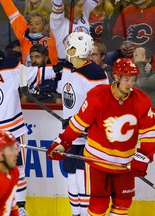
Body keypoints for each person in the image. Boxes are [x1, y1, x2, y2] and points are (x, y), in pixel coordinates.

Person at [0, 37, 60, 216]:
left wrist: (58, 69)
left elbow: (35, 73)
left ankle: (19, 207)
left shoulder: (10, 66)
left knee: (18, 170)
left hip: (13, 131)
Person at [46, 58, 155, 215]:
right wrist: (62, 142)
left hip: (124, 164)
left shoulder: (142, 101)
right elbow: (78, 123)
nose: (131, 84)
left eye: (133, 80)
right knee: (99, 203)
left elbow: (149, 134)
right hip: (98, 162)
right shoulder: (98, 96)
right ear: (116, 77)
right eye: (126, 79)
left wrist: (143, 156)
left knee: (123, 203)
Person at [49, 32, 108, 216]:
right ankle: (76, 213)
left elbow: (102, 107)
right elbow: (66, 88)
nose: (68, 50)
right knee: (71, 177)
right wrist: (51, 85)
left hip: (88, 136)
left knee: (83, 178)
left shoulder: (96, 75)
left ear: (80, 50)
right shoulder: (68, 66)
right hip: (69, 133)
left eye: (71, 47)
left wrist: (85, 125)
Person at [0, 0, 58, 66]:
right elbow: (12, 12)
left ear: (45, 25)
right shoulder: (24, 34)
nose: (33, 27)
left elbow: (58, 16)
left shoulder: (53, 34)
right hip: (28, 75)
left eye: (37, 24)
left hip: (51, 75)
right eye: (31, 24)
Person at [105, 0, 155, 66]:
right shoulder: (127, 10)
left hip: (148, 52)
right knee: (108, 57)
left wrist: (142, 49)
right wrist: (121, 45)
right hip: (127, 53)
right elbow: (117, 36)